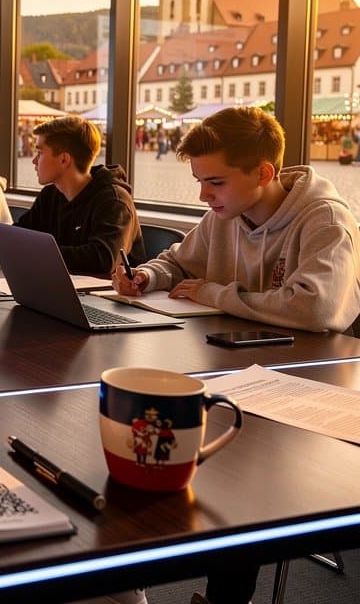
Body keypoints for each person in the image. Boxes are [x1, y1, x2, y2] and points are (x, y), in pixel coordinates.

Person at [111, 106, 360, 604]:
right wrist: (147, 276)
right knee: (167, 439)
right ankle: (129, 574)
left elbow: (315, 308)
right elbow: (179, 260)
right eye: (200, 181)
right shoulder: (225, 214)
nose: (204, 195)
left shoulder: (325, 219)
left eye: (215, 182)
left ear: (263, 173)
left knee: (234, 471)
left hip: (312, 389)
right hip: (246, 370)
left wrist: (214, 293)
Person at [0, 115, 145, 277]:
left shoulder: (114, 201)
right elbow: (22, 233)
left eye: (40, 153)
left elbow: (103, 259)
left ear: (64, 159)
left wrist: (29, 252)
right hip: (62, 288)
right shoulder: (51, 194)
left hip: (109, 298)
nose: (34, 160)